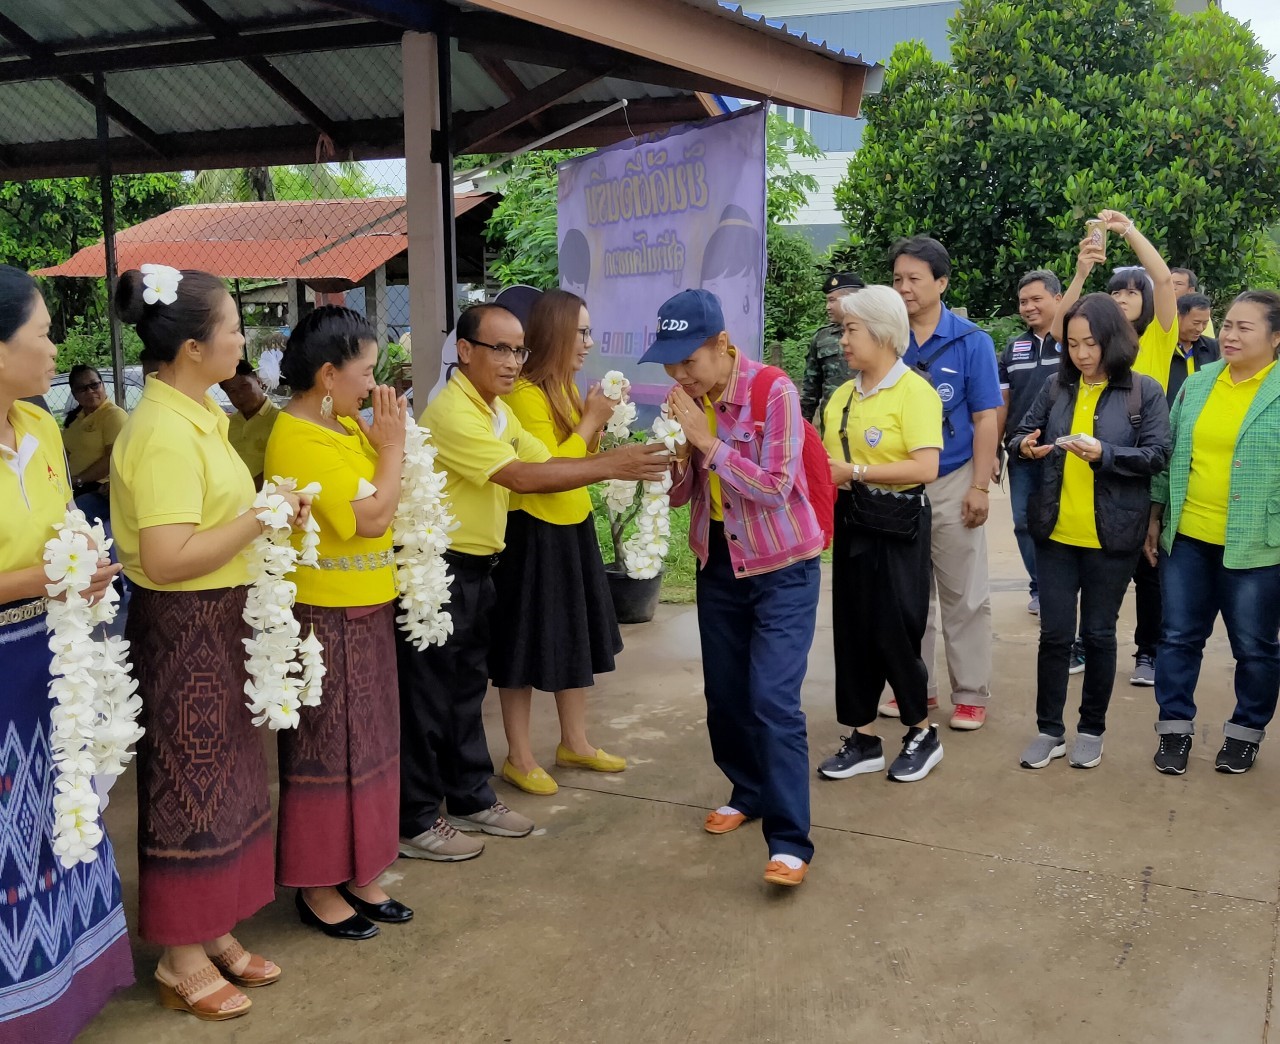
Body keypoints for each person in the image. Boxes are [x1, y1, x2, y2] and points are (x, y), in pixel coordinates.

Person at [397, 303, 668, 863]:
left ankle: (472, 797)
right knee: (430, 698)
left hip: (479, 566)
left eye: (518, 349)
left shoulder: (498, 412)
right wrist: (609, 463)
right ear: (465, 351)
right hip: (438, 568)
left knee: (467, 692)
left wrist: (602, 451)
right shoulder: (454, 413)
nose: (512, 361)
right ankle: (418, 817)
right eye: (499, 348)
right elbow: (521, 477)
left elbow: (548, 464)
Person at [110, 267, 311, 1021]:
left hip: (220, 618)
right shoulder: (161, 432)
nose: (242, 340)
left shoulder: (198, 414)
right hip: (184, 625)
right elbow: (166, 558)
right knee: (186, 788)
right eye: (231, 327)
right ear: (194, 347)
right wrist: (263, 516)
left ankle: (212, 923)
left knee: (225, 779)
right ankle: (180, 953)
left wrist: (264, 514)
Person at [644, 288, 824, 888]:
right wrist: (672, 464)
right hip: (718, 560)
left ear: (722, 345)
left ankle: (791, 842)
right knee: (725, 693)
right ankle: (746, 791)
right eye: (670, 364)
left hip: (782, 566)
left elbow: (774, 487)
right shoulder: (687, 402)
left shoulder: (774, 392)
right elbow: (680, 496)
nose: (678, 375)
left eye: (688, 361)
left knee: (772, 698)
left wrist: (706, 441)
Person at [0, 266, 133, 1042]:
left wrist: (79, 563)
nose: (58, 351)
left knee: (58, 817)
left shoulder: (44, 428)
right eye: (43, 334)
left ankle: (63, 988)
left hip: (49, 660)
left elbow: (59, 533)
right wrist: (59, 574)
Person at [264, 306, 413, 940]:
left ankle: (361, 868)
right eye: (366, 372)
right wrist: (394, 447)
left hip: (366, 602)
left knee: (372, 746)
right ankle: (318, 883)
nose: (374, 387)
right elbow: (375, 516)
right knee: (326, 752)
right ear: (328, 375)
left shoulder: (342, 425)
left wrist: (380, 445)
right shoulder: (297, 437)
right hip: (323, 614)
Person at [1010, 294, 1170, 770]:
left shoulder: (1144, 391)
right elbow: (1020, 433)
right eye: (1073, 344)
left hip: (1112, 537)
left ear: (1113, 341)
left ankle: (1092, 728)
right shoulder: (1058, 387)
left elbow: (1158, 455)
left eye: (1091, 344)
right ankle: (1049, 729)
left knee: (1099, 635)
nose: (1081, 354)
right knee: (1055, 637)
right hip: (1056, 533)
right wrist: (1027, 448)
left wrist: (1106, 453)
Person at [492, 289, 626, 796]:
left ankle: (576, 742)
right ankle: (519, 757)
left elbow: (582, 461)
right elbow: (548, 469)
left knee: (576, 635)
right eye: (582, 332)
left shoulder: (567, 389)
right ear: (555, 335)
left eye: (590, 332)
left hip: (572, 524)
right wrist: (591, 422)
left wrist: (592, 423)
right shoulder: (524, 395)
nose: (589, 342)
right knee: (522, 645)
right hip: (532, 533)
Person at [815, 286, 944, 784]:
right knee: (851, 630)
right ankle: (863, 736)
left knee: (896, 629)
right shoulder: (842, 397)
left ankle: (921, 732)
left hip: (897, 524)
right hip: (851, 522)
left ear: (884, 334)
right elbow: (826, 468)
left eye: (851, 329)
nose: (842, 339)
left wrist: (858, 471)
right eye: (843, 329)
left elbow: (926, 466)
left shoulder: (915, 392)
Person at [1148, 290, 1280, 775]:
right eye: (1226, 326)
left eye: (1244, 328)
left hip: (1258, 544)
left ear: (1276, 338)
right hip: (1190, 537)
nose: (1228, 334)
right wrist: (1156, 513)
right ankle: (1174, 729)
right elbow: (1171, 450)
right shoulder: (1200, 383)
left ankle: (1245, 733)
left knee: (1254, 646)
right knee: (1180, 637)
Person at [1054, 209, 1178, 688]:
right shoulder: (1092, 347)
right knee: (1091, 555)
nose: (1124, 297)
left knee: (1147, 560)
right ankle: (1089, 638)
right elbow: (1063, 324)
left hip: (1144, 459)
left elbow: (1164, 280)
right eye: (1117, 290)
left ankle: (1148, 651)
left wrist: (1127, 232)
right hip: (1089, 460)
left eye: (1132, 290)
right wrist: (1083, 270)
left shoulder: (1158, 340)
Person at [884, 236, 1002, 730]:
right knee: (905, 594)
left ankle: (971, 691)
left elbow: (985, 419)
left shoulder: (971, 341)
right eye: (897, 279)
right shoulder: (885, 338)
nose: (904, 288)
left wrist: (979, 486)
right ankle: (917, 688)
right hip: (898, 483)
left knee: (963, 593)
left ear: (942, 283)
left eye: (914, 279)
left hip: (952, 479)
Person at [996, 270, 1063, 618]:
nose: (1028, 307)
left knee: (1061, 522)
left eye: (1037, 299)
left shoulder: (1074, 341)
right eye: (1023, 301)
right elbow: (1001, 404)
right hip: (1021, 450)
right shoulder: (1013, 347)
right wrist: (996, 450)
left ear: (1057, 299)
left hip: (1065, 451)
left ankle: (1063, 586)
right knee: (1023, 522)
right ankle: (1040, 586)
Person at [61, 363, 128, 523]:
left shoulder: (113, 415)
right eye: (83, 388)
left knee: (72, 515)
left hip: (103, 489)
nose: (90, 391)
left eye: (94, 385)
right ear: (74, 394)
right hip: (73, 486)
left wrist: (78, 480)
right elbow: (65, 454)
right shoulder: (76, 419)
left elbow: (111, 458)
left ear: (102, 385)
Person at [800, 271, 865, 424]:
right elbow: (810, 390)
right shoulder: (822, 337)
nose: (827, 307)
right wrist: (802, 427)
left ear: (850, 300)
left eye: (832, 301)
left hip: (869, 420)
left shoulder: (876, 333)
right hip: (832, 423)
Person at [220, 358, 280, 488]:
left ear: (258, 382)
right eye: (232, 391)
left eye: (244, 386)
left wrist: (247, 489)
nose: (240, 395)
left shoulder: (280, 420)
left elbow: (283, 465)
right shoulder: (225, 424)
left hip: (268, 497)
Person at [1169, 292, 1219, 403]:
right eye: (1196, 323)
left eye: (1205, 323)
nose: (1200, 328)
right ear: (1178, 316)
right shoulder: (1166, 349)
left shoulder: (1213, 348)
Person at [1171, 267, 1215, 338]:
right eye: (1170, 283)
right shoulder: (1159, 310)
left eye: (1179, 284)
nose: (1173, 287)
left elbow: (1206, 344)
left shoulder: (1200, 314)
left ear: (1191, 290)